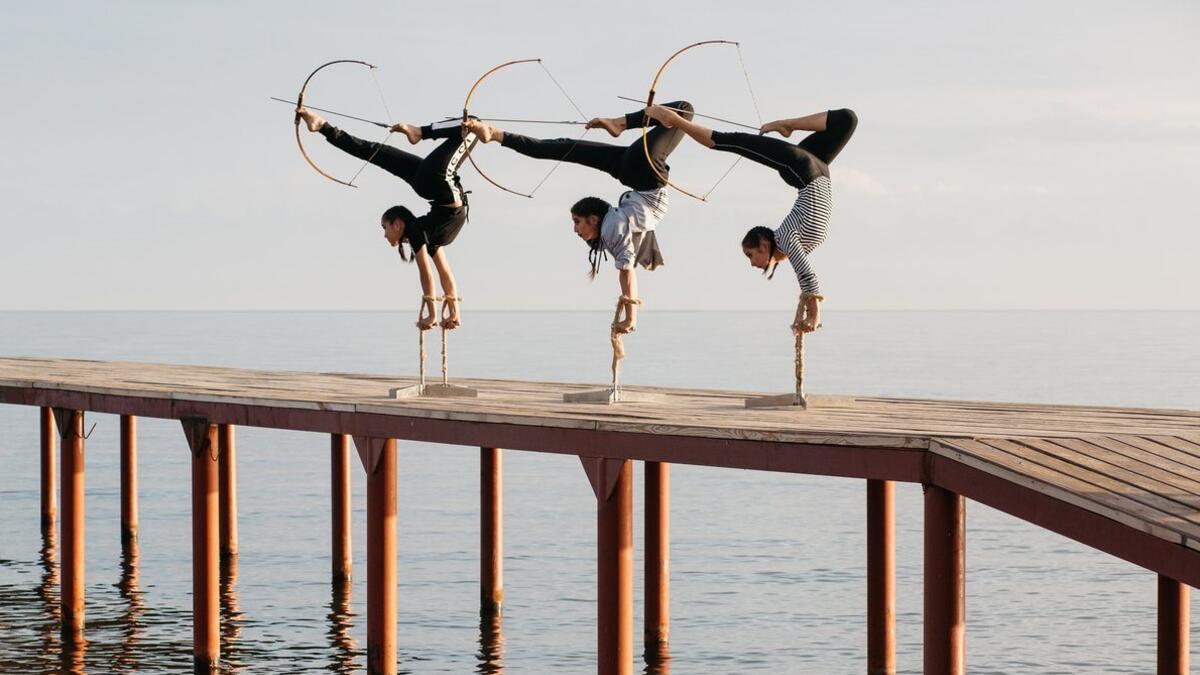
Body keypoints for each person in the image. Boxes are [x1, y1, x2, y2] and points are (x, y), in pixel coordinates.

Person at [464, 101, 694, 334]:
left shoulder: (610, 230)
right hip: (646, 175)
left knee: (563, 147)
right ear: (594, 219)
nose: (575, 229)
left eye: (576, 222)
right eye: (577, 222)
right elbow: (626, 271)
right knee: (683, 110)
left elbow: (626, 263)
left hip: (630, 172)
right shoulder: (612, 227)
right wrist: (630, 316)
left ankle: (495, 134)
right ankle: (620, 123)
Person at [644, 105, 858, 333]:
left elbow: (805, 275)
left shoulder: (786, 239)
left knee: (731, 141)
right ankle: (785, 125)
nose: (752, 263)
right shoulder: (787, 241)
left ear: (764, 244)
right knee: (847, 119)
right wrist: (813, 315)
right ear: (764, 244)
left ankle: (676, 120)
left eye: (750, 255)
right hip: (813, 169)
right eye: (750, 255)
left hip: (804, 169)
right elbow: (807, 275)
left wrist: (811, 312)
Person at [297, 108, 479, 330]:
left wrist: (433, 315)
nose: (384, 234)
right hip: (435, 185)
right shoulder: (425, 234)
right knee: (376, 152)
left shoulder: (418, 232)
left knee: (472, 125)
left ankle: (418, 132)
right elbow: (442, 274)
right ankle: (323, 126)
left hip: (436, 183)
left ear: (397, 224)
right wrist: (454, 313)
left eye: (384, 227)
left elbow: (428, 276)